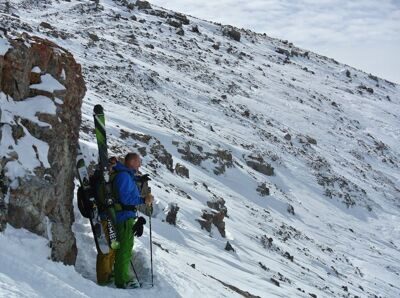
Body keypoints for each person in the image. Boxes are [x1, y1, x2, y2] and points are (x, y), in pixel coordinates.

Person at [112, 152, 153, 289]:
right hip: (123, 216)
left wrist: (140, 181)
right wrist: (143, 200)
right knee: (124, 248)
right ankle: (122, 279)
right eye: (138, 161)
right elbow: (125, 198)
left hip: (127, 216)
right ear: (132, 162)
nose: (140, 164)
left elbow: (128, 188)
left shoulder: (127, 174)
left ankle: (121, 275)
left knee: (126, 247)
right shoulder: (124, 176)